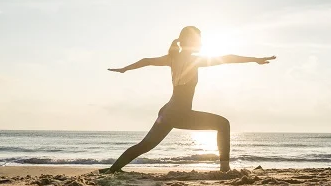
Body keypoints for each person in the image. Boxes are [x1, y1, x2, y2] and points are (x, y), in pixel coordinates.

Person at [101, 26, 275, 173]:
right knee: (223, 124)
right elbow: (227, 58)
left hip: (168, 110)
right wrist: (254, 60)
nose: (201, 43)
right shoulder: (194, 60)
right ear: (190, 42)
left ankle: (113, 169)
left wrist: (125, 69)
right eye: (198, 39)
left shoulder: (171, 58)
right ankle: (225, 169)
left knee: (145, 145)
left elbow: (147, 61)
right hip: (178, 112)